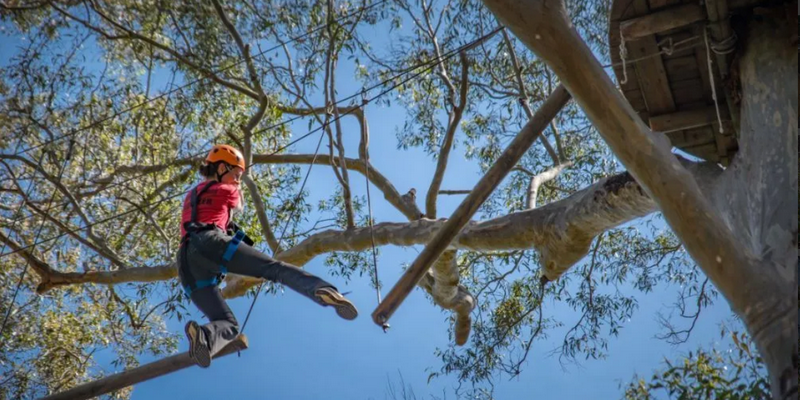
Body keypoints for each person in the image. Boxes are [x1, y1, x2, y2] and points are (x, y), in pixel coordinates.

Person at [178, 144, 358, 368]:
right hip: (210, 242)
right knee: (274, 269)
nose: (237, 180)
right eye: (235, 175)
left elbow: (205, 212)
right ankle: (323, 290)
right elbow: (237, 203)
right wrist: (235, 196)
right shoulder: (228, 190)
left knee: (228, 324)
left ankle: (204, 336)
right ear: (222, 167)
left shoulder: (191, 194)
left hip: (186, 264)